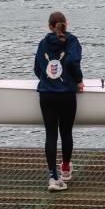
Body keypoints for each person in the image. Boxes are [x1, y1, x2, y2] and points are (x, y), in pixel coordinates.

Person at [33, 11, 83, 192]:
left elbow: (37, 69)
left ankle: (53, 177)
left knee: (51, 134)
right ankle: (65, 169)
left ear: (49, 26)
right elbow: (74, 64)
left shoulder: (43, 43)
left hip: (47, 94)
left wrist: (48, 80)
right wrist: (78, 81)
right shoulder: (72, 41)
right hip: (67, 93)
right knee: (66, 132)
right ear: (66, 24)